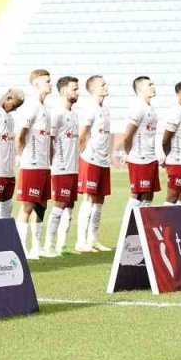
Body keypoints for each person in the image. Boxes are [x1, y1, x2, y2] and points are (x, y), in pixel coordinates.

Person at [15, 69, 54, 259]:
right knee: (27, 207)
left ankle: (36, 247)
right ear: (36, 84)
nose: (50, 83)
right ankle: (20, 247)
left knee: (42, 206)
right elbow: (20, 136)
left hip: (44, 166)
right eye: (46, 81)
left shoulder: (46, 108)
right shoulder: (31, 106)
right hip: (31, 165)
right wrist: (24, 155)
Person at [75, 75, 113, 252]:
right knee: (88, 199)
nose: (106, 86)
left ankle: (93, 239)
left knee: (99, 201)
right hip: (90, 160)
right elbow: (82, 136)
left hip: (103, 161)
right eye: (102, 84)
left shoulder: (105, 109)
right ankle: (81, 242)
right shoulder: (89, 108)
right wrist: (79, 157)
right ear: (93, 89)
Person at [44, 77, 80, 256]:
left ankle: (62, 244)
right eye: (74, 89)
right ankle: (49, 245)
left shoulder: (73, 114)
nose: (78, 92)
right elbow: (49, 140)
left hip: (74, 167)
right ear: (64, 90)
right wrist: (53, 163)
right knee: (59, 204)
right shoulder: (56, 113)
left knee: (70, 205)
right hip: (62, 167)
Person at [121, 76, 160, 213]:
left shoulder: (151, 109)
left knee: (149, 196)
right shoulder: (138, 108)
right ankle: (127, 229)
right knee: (137, 195)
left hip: (151, 158)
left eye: (153, 84)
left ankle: (140, 230)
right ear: (140, 89)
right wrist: (127, 153)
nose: (153, 87)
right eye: (149, 85)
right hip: (139, 159)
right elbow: (127, 136)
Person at [0, 87, 24, 219]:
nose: (15, 109)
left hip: (9, 171)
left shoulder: (10, 117)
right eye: (15, 105)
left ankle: (1, 239)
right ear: (8, 98)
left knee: (7, 209)